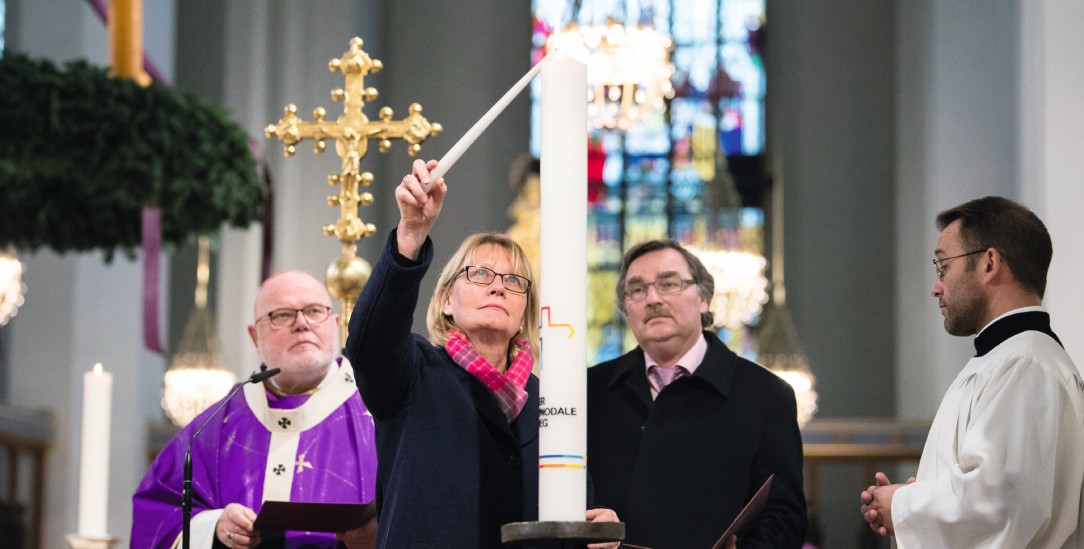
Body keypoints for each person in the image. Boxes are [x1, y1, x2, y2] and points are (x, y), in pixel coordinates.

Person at [345, 159, 618, 548]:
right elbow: (370, 337)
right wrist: (411, 236)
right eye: (480, 275)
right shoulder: (414, 373)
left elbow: (570, 510)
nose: (498, 288)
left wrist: (594, 526)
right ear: (445, 302)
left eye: (513, 281)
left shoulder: (551, 401)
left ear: (526, 307)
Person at [859, 196, 1084, 547]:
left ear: (990, 263)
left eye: (942, 266)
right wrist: (919, 497)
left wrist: (903, 506)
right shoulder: (1005, 360)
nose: (936, 287)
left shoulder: (1026, 366)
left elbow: (999, 506)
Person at [587, 239, 808, 549]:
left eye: (669, 284)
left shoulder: (766, 395)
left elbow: (784, 518)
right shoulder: (590, 391)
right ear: (626, 308)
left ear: (704, 299)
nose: (652, 298)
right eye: (637, 290)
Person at [132, 270, 377, 549]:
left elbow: (424, 502)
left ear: (335, 324)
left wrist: (385, 533)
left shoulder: (378, 412)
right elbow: (156, 512)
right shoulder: (219, 421)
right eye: (282, 315)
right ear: (254, 335)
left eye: (314, 311)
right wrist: (213, 526)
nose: (301, 323)